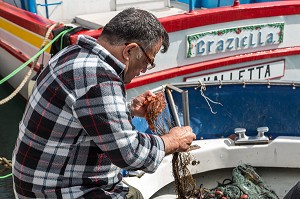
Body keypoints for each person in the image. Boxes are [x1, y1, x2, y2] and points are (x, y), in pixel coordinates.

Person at [12, 7, 196, 199]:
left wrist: (129, 109)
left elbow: (84, 111)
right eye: (148, 61)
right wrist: (172, 141)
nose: (144, 70)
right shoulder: (100, 79)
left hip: (37, 182)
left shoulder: (73, 53)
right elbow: (131, 154)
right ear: (129, 50)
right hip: (58, 191)